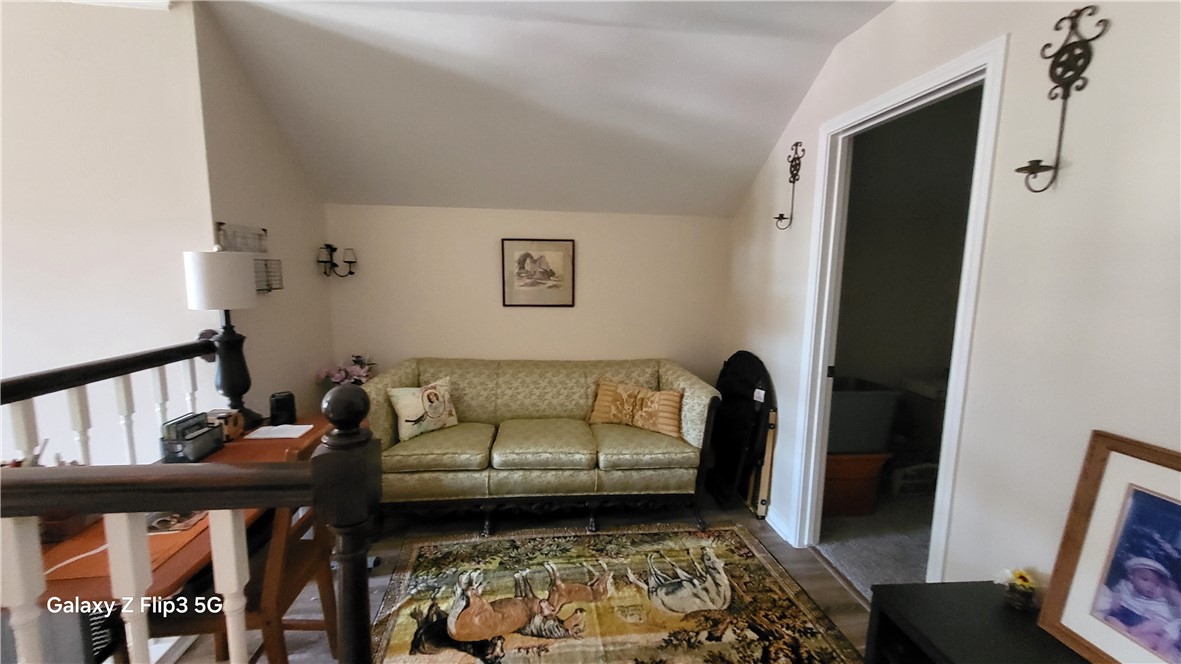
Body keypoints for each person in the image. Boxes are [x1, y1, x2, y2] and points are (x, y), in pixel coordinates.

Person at [1097, 556, 1181, 658]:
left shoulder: (1160, 602)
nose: (1151, 586)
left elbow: (1162, 622)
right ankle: (1124, 635)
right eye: (1146, 580)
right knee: (1110, 618)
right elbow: (1117, 591)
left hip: (1143, 626)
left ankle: (1134, 640)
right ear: (1131, 577)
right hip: (1122, 615)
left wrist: (1140, 629)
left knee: (1152, 638)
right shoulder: (1125, 586)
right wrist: (1116, 598)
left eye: (1156, 584)